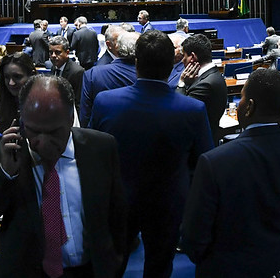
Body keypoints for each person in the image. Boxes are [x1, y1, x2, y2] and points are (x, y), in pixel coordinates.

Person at [0, 75, 127, 278]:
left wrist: (115, 264)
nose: (42, 142)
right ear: (22, 119)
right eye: (34, 131)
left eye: (53, 132)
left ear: (70, 118)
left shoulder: (101, 147)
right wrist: (6, 173)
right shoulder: (2, 155)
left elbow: (118, 215)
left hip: (90, 271)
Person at [90, 30, 213, 278]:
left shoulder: (105, 102)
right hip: (168, 204)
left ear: (137, 63)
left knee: (113, 266)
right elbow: (204, 162)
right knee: (159, 268)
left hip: (119, 201)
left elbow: (94, 155)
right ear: (172, 64)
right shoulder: (193, 109)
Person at [180, 68, 280, 277]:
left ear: (249, 107)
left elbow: (193, 236)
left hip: (223, 267)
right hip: (274, 257)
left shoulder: (214, 161)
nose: (240, 104)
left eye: (242, 98)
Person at [79, 31, 139, 127]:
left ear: (118, 47)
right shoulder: (148, 75)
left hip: (101, 133)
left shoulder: (92, 74)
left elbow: (85, 116)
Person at [177, 34, 228, 143]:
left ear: (192, 57)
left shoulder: (205, 85)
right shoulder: (213, 75)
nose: (182, 60)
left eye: (184, 56)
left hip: (199, 144)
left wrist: (181, 83)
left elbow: (179, 113)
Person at [0, 52, 38, 133]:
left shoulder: (43, 105)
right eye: (7, 77)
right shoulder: (3, 104)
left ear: (32, 75)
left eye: (17, 77)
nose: (11, 83)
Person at [48, 35, 84, 102]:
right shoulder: (54, 67)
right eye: (51, 52)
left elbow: (78, 101)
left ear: (67, 53)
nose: (53, 55)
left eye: (57, 52)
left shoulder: (77, 72)